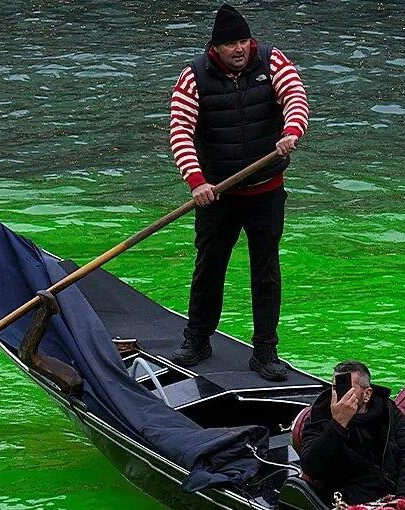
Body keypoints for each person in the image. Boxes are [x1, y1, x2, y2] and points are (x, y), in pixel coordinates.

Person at [168, 4, 308, 381]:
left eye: (244, 41)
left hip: (266, 191)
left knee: (266, 272)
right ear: (216, 47)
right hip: (217, 195)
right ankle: (197, 339)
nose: (240, 49)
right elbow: (180, 132)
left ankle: (265, 351)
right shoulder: (193, 77)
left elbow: (295, 97)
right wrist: (197, 182)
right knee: (209, 267)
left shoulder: (272, 61)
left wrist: (291, 131)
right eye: (231, 44)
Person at [300, 361, 405, 505]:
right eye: (336, 388)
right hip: (349, 500)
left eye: (347, 389)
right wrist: (338, 423)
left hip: (394, 492)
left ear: (367, 394)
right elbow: (311, 466)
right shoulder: (320, 414)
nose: (340, 395)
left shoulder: (386, 411)